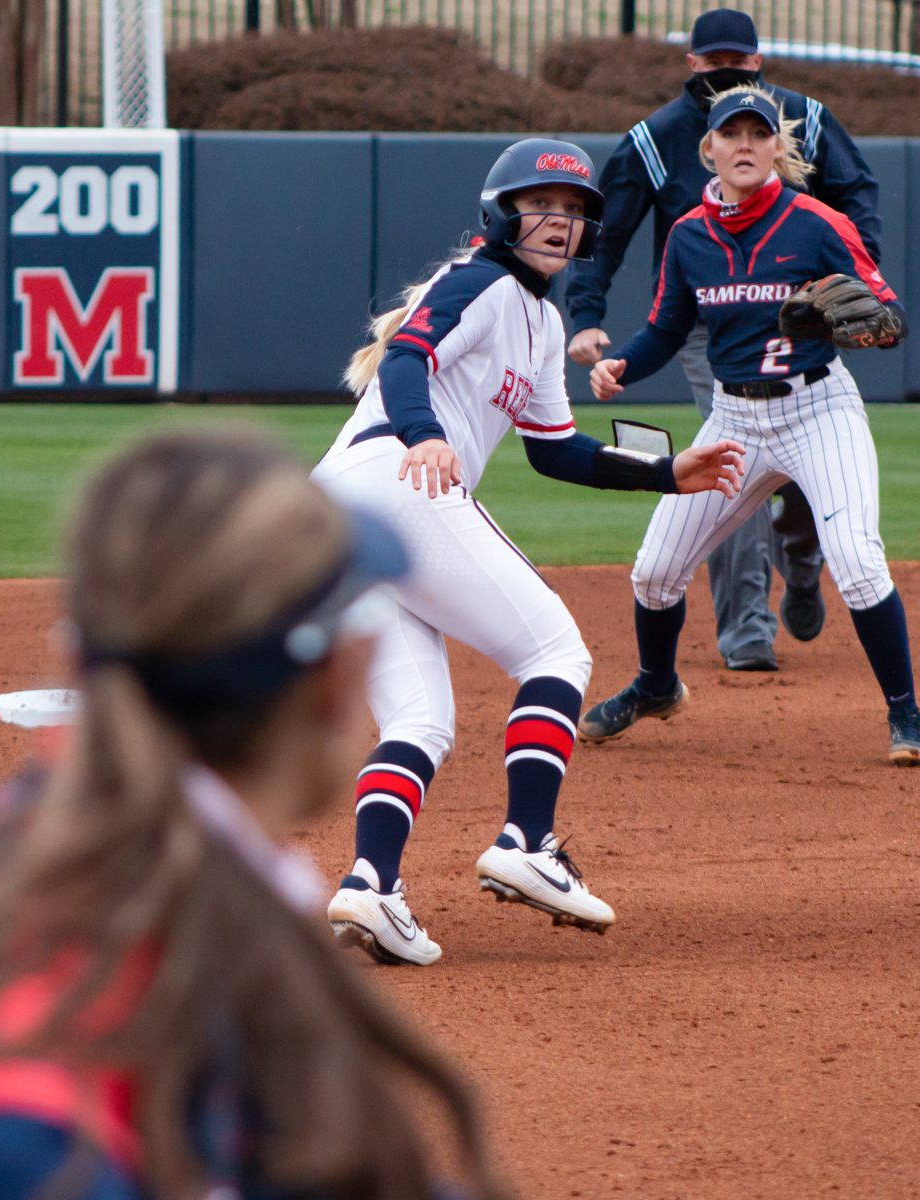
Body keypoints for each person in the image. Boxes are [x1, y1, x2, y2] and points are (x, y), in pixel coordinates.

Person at [0, 433, 512, 1200]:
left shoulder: (51, 844)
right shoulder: (59, 1019)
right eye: (365, 618)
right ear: (331, 681)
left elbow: (291, 1158)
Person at [314, 139, 745, 967]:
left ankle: (370, 886)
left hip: (339, 515)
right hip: (392, 482)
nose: (560, 219)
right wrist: (426, 434)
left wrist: (665, 472)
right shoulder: (480, 281)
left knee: (419, 720)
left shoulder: (543, 323)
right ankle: (527, 839)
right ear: (501, 212)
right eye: (541, 202)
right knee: (555, 648)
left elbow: (556, 449)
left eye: (577, 209)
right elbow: (408, 359)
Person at [576, 86, 920, 769]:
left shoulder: (817, 223)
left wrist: (864, 325)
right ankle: (656, 686)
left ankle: (906, 715)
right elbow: (664, 329)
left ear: (778, 147)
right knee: (653, 574)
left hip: (816, 409)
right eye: (730, 133)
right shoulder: (688, 235)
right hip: (735, 417)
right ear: (707, 148)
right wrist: (623, 362)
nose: (744, 144)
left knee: (859, 565)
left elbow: (886, 314)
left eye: (758, 133)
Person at [566, 7, 886, 674]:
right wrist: (589, 314)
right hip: (704, 319)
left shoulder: (802, 118)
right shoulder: (659, 138)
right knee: (732, 459)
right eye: (714, 65)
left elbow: (857, 195)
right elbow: (609, 227)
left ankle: (803, 558)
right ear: (692, 64)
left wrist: (851, 282)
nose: (727, 73)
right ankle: (746, 625)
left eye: (739, 63)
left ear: (759, 59)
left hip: (797, 316)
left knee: (801, 458)